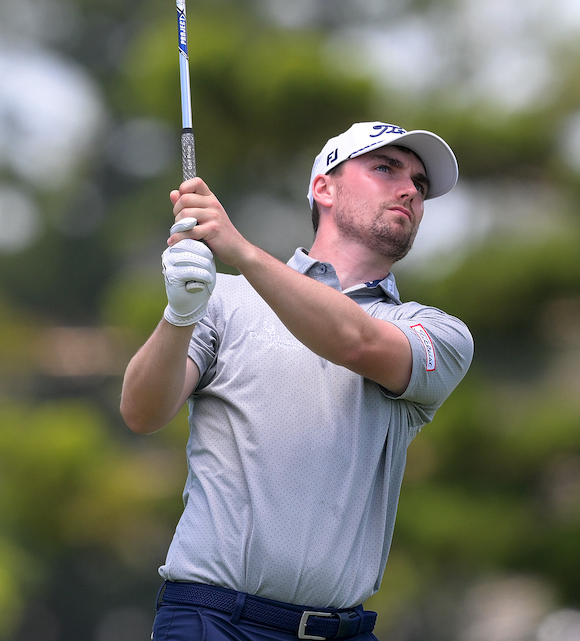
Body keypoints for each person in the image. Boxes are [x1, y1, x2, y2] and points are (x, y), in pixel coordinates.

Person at [120, 121, 474, 641]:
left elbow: (357, 344)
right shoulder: (224, 300)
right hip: (211, 620)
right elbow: (142, 413)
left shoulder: (437, 333)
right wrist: (179, 314)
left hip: (341, 631)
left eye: (419, 185)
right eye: (385, 168)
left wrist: (238, 249)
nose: (409, 190)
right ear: (323, 188)